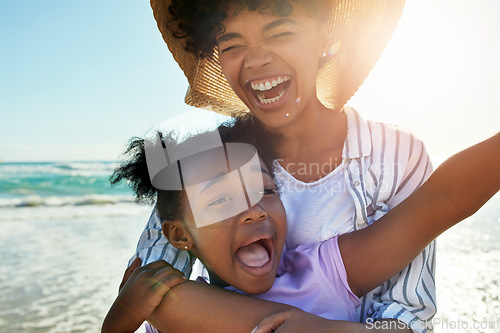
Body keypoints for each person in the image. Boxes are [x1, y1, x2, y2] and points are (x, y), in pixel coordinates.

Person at [130, 0, 435, 330]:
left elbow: (408, 318)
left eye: (280, 33)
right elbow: (148, 294)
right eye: (232, 45)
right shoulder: (207, 159)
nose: (257, 60)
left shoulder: (395, 154)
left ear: (324, 37)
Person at [102, 125, 500, 333]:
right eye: (221, 199)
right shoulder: (165, 310)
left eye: (264, 189)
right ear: (178, 236)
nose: (253, 211)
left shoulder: (321, 271)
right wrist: (116, 324)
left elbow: (444, 199)